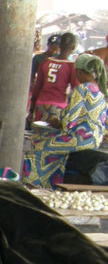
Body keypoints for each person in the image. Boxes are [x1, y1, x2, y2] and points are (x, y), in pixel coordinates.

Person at [22, 54, 107, 189]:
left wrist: (56, 121)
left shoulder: (82, 89)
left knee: (36, 146)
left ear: (79, 71)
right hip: (94, 140)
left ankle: (35, 186)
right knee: (47, 141)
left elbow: (69, 122)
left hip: (78, 139)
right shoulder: (101, 92)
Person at [29, 32, 77, 123]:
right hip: (58, 107)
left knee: (38, 134)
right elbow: (75, 90)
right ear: (73, 47)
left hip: (41, 105)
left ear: (60, 45)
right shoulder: (71, 66)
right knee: (54, 135)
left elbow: (37, 87)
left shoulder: (45, 62)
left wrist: (32, 108)